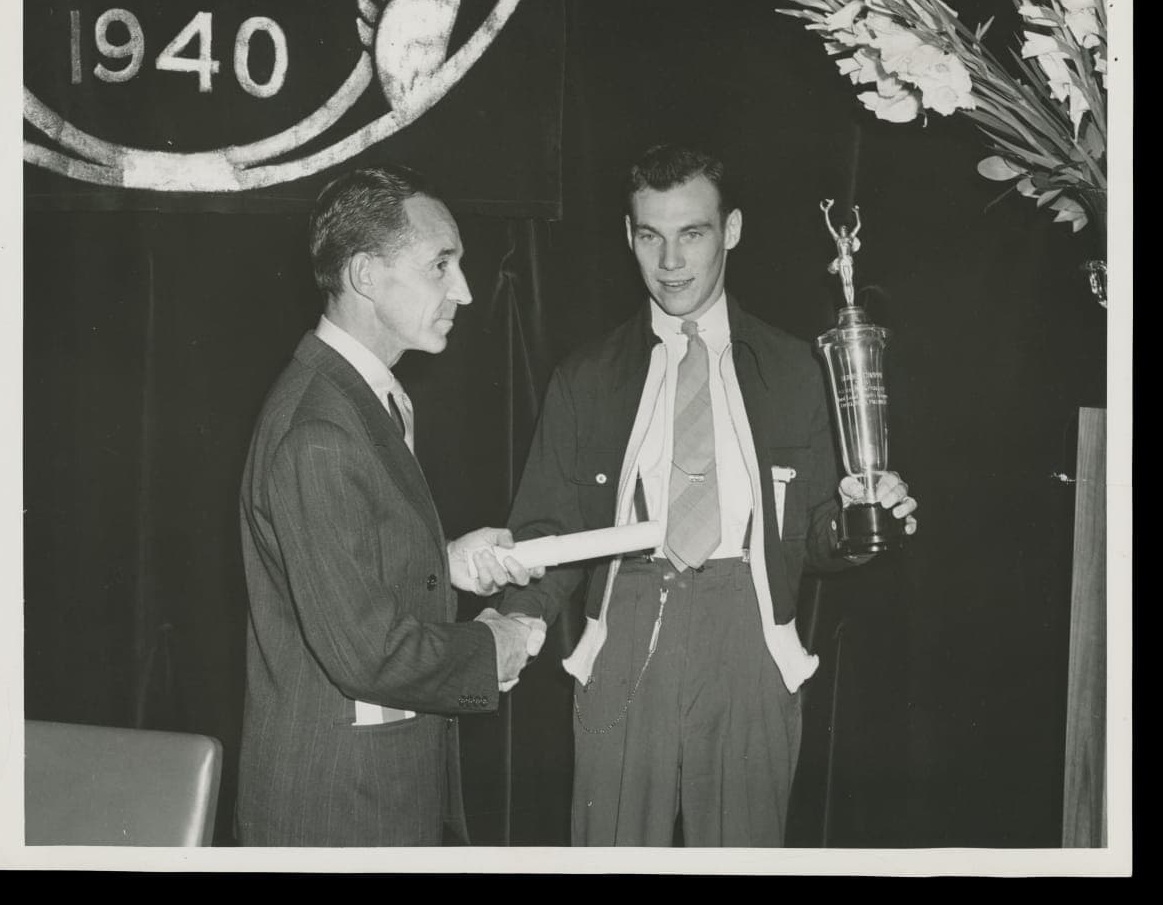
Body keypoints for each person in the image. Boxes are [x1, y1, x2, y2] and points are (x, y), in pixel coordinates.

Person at [499, 144, 917, 847]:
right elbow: (548, 529)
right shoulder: (585, 377)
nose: (670, 262)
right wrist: (515, 624)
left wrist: (858, 526)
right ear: (628, 237)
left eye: (691, 233)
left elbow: (815, 532)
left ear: (732, 230)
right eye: (650, 236)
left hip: (749, 635)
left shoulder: (796, 369)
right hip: (627, 628)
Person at [236, 165, 544, 847]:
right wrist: (493, 648)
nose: (463, 291)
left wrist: (444, 561)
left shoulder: (353, 396)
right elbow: (365, 653)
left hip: (371, 788)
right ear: (366, 276)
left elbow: (337, 572)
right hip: (339, 808)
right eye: (441, 265)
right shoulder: (321, 431)